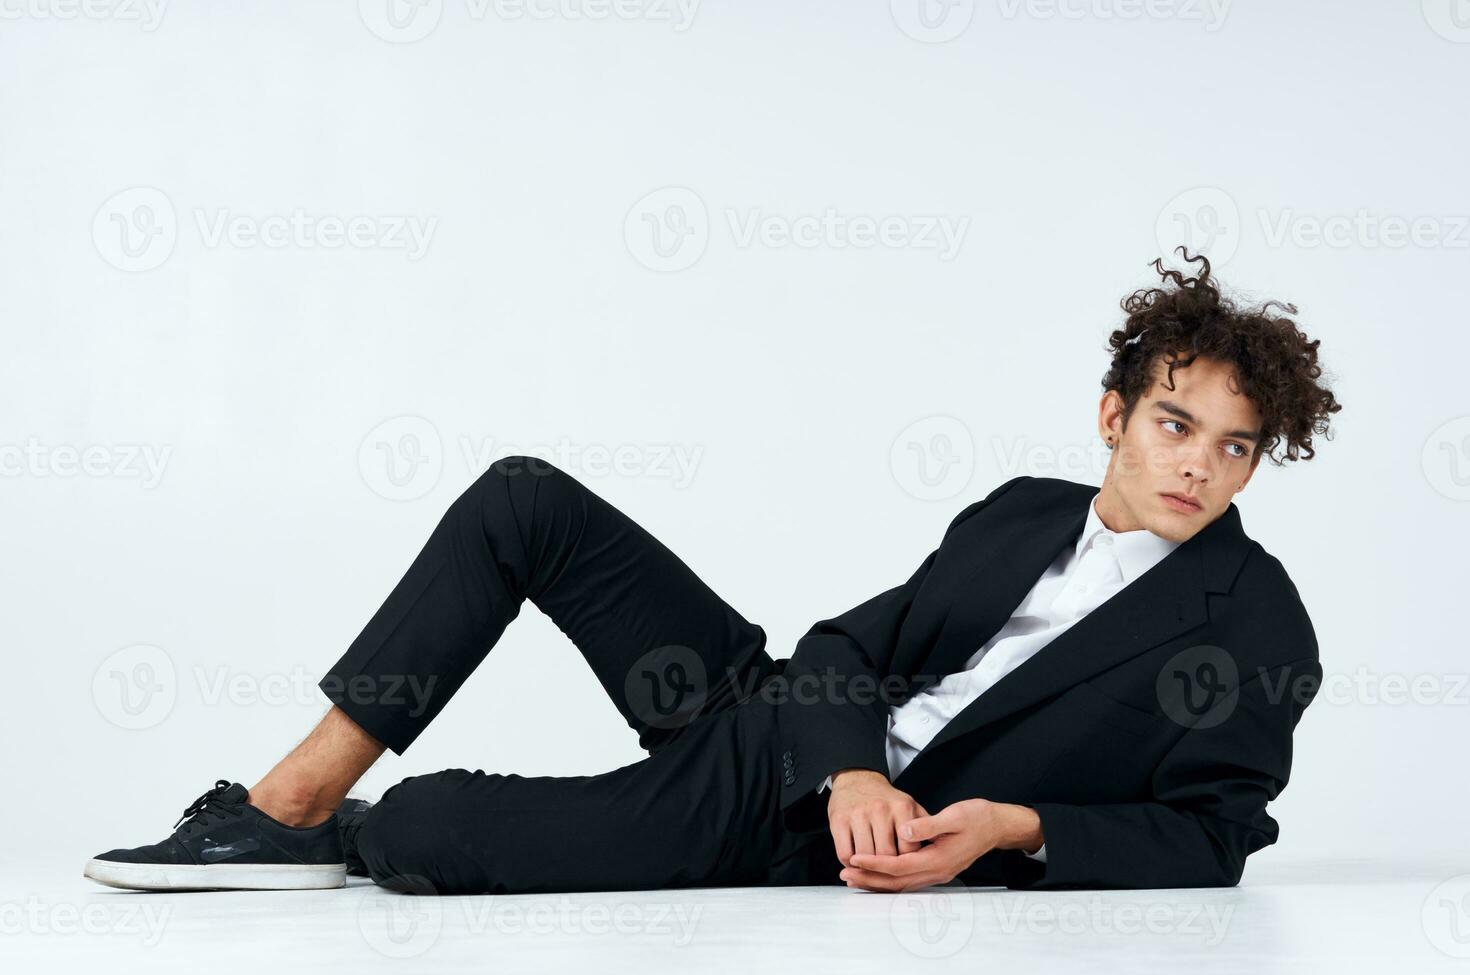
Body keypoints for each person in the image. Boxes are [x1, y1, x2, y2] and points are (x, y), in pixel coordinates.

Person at [84, 249, 1342, 895]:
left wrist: (1012, 828)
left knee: (427, 828)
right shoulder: (1024, 511)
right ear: (1115, 413)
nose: (1197, 468)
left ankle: (347, 829)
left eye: (1234, 447)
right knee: (524, 499)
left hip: (791, 825)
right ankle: (285, 808)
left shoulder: (1256, 620)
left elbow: (1217, 832)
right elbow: (852, 646)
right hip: (782, 714)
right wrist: (843, 750)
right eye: (1175, 425)